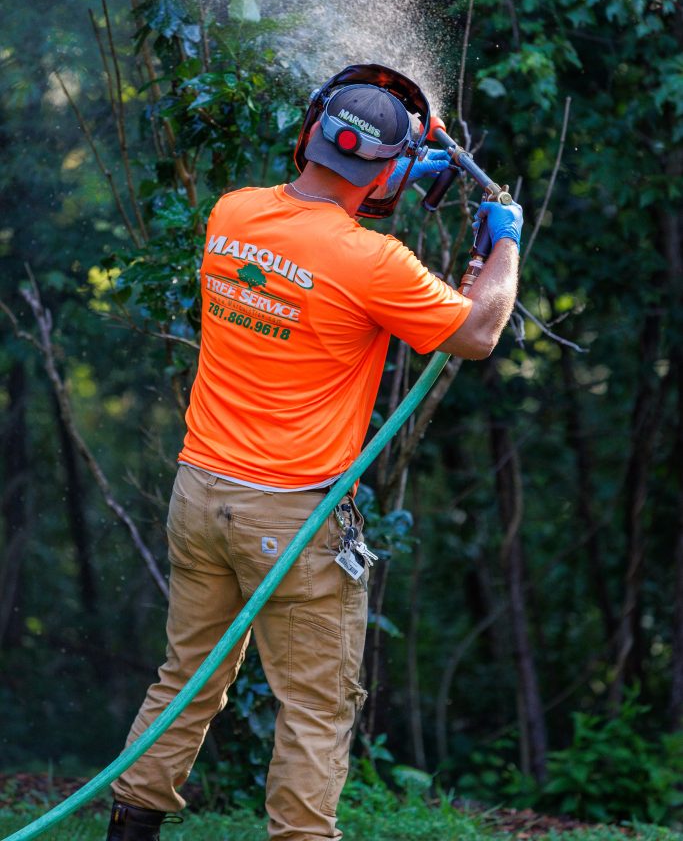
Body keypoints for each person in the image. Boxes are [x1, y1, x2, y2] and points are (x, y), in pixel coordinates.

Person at [105, 67, 522, 841]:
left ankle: (129, 830)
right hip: (289, 517)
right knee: (316, 706)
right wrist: (503, 245)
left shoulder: (232, 213)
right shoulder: (370, 262)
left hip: (200, 493)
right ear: (390, 171)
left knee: (187, 680)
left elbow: (305, 217)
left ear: (307, 136)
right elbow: (476, 333)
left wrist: (391, 169)